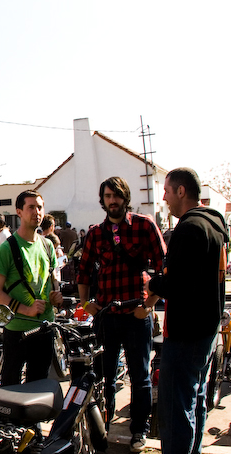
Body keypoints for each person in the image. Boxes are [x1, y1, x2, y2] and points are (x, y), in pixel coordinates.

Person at [76, 176, 165, 453]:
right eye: (107, 196)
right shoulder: (95, 233)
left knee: (140, 376)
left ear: (125, 197)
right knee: (104, 375)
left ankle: (139, 429)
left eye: (116, 195)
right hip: (107, 316)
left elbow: (164, 267)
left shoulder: (144, 225)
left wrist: (149, 305)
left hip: (137, 314)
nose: (112, 200)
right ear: (102, 200)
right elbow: (83, 271)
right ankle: (105, 424)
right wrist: (85, 303)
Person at [148, 168, 228, 454]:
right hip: (206, 330)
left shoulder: (189, 227)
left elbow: (177, 284)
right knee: (194, 400)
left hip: (186, 334)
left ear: (181, 191)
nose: (164, 198)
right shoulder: (214, 223)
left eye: (167, 191)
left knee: (176, 408)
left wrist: (152, 282)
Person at [0, 190, 62, 386]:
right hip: (18, 330)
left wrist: (55, 295)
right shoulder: (7, 248)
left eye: (40, 207)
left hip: (45, 327)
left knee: (38, 386)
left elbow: (52, 280)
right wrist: (25, 309)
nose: (36, 212)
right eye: (31, 207)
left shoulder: (47, 245)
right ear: (19, 212)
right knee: (11, 388)